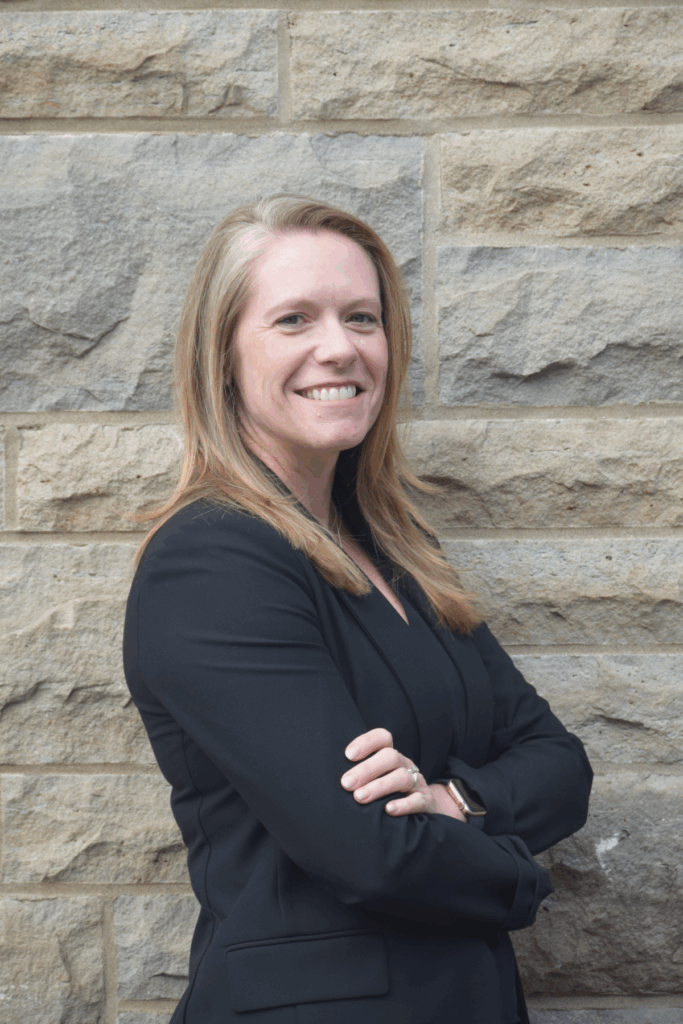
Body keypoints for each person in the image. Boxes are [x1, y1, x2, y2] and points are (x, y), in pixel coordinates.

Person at [123, 195, 593, 1024]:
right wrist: (521, 877)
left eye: (362, 318)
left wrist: (456, 802)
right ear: (222, 354)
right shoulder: (211, 562)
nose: (337, 347)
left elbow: (559, 761)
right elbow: (372, 852)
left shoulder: (395, 553)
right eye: (293, 319)